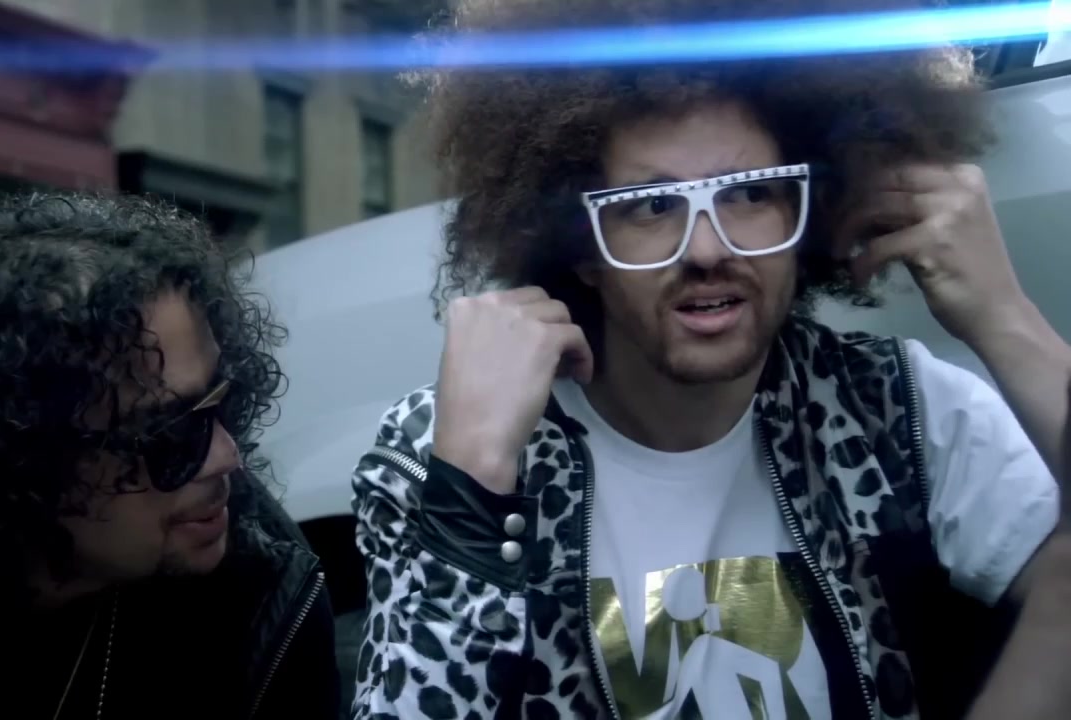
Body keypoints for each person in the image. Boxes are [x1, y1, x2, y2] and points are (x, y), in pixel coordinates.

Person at [349, 0, 1065, 718]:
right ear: (578, 245)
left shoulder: (893, 407)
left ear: (807, 215)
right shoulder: (441, 450)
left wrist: (1007, 321)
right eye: (651, 205)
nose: (707, 249)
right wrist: (471, 486)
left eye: (749, 193)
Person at [0, 193, 339, 719]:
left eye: (224, 400)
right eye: (170, 433)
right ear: (23, 452)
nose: (225, 457)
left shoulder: (262, 603)